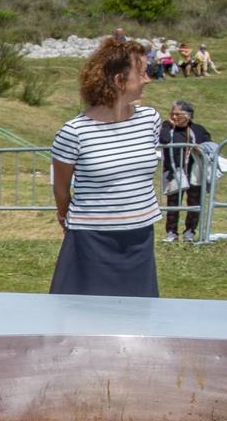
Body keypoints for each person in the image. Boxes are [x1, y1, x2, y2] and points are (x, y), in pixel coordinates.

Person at [49, 37, 162, 296]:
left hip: (140, 236)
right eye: (142, 73)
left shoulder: (150, 120)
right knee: (83, 318)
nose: (147, 79)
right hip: (91, 240)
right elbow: (61, 190)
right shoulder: (74, 132)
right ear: (119, 80)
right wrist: (68, 219)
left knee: (138, 316)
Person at [159, 100, 210, 242]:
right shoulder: (167, 127)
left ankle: (190, 232)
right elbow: (163, 140)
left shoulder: (197, 129)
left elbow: (207, 144)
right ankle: (171, 232)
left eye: (178, 114)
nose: (174, 117)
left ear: (188, 116)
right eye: (172, 114)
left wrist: (198, 148)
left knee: (194, 202)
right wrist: (168, 125)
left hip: (194, 171)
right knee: (172, 203)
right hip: (174, 171)